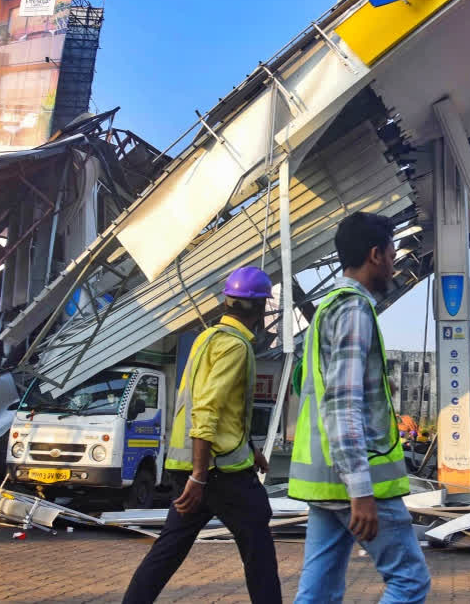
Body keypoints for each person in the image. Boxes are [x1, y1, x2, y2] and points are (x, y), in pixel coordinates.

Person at [290, 212, 430, 603]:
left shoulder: (327, 309)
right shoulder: (354, 310)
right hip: (358, 483)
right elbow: (343, 402)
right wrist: (361, 490)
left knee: (317, 592)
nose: (394, 262)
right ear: (375, 255)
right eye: (391, 253)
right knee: (409, 581)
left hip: (324, 481)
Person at [123, 267, 281, 604]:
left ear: (228, 300)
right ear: (257, 308)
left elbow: (226, 409)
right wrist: (200, 477)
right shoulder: (237, 348)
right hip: (217, 472)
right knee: (258, 547)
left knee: (170, 548)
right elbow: (207, 410)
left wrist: (251, 449)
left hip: (193, 467)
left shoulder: (205, 339)